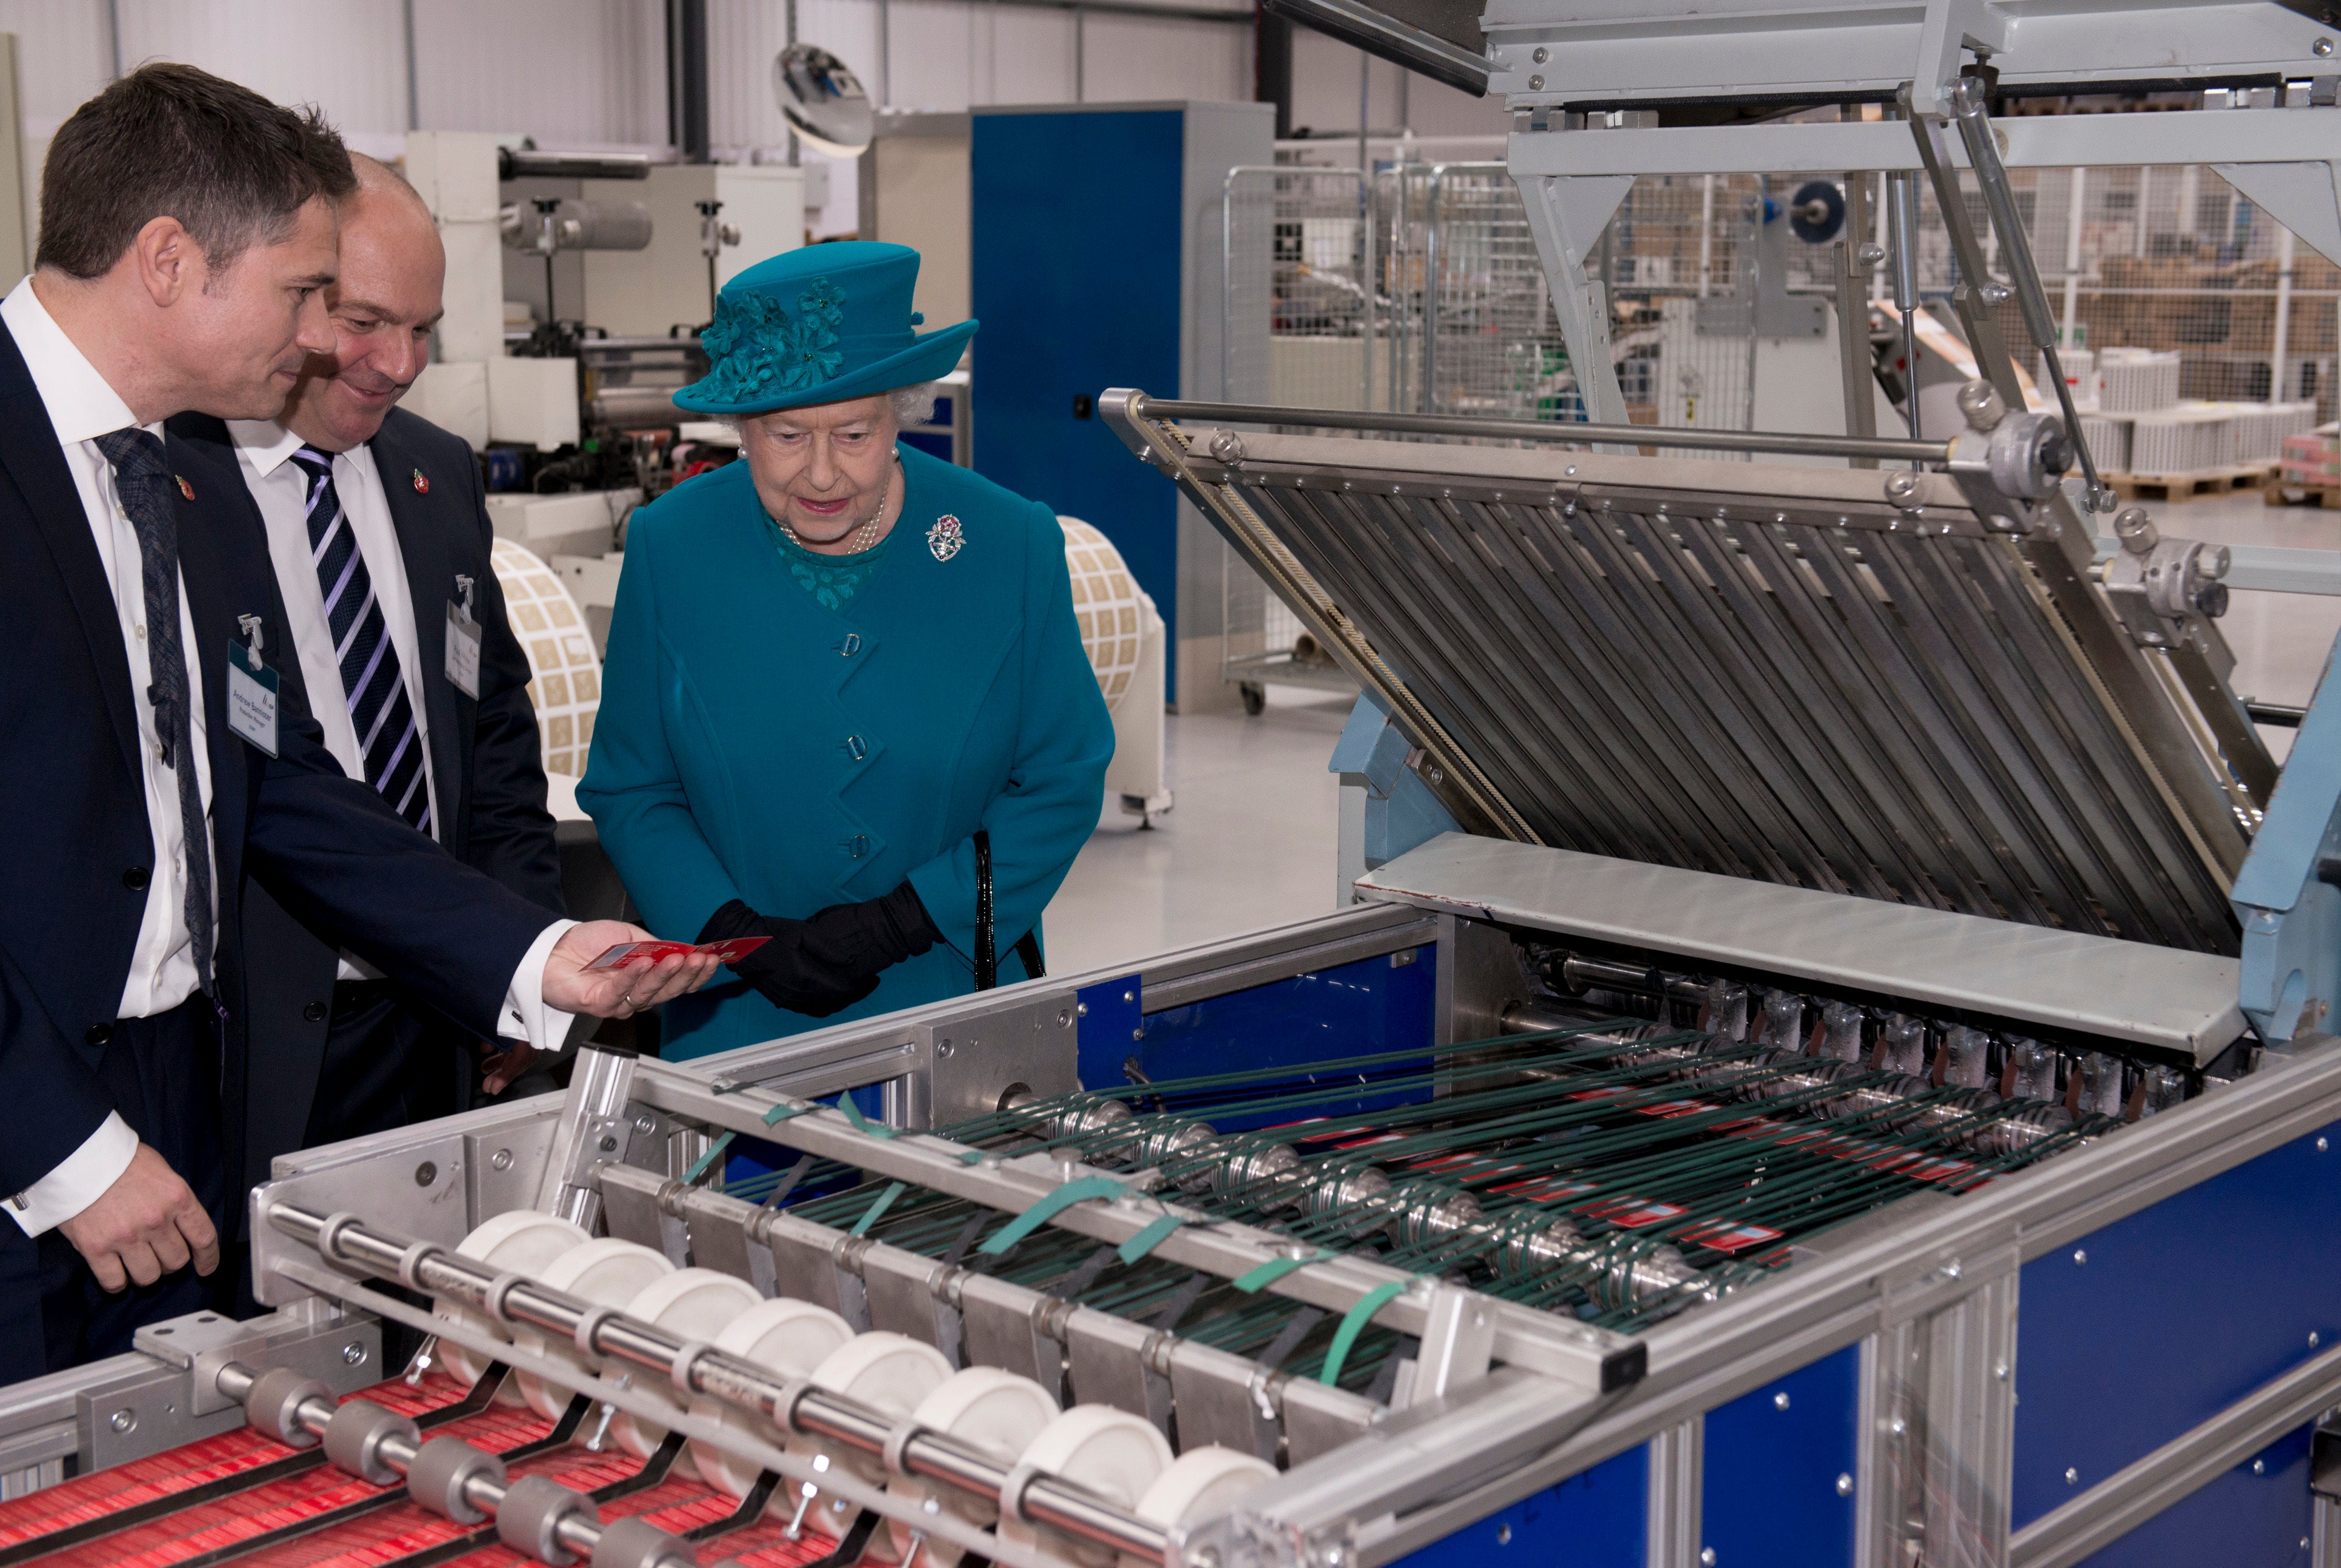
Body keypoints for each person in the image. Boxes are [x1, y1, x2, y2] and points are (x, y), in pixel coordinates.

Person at [0, 64, 717, 1381]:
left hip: (176, 1092)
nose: (327, 343)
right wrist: (63, 1144)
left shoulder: (165, 476)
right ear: (168, 261)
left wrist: (535, 951)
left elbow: (273, 785)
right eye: (299, 295)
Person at [581, 242, 1112, 1060]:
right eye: (787, 434)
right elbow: (632, 785)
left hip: (952, 998)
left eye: (855, 432)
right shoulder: (672, 547)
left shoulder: (1009, 543)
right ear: (740, 430)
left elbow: (1063, 774)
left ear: (903, 410)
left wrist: (906, 919)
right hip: (736, 1014)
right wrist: (728, 934)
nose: (822, 474)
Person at [171, 156, 561, 1206]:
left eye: (426, 328)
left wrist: (512, 950)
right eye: (365, 320)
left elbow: (492, 733)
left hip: (438, 1015)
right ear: (285, 295)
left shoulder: (436, 474)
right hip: (254, 1032)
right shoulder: (169, 483)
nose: (400, 363)